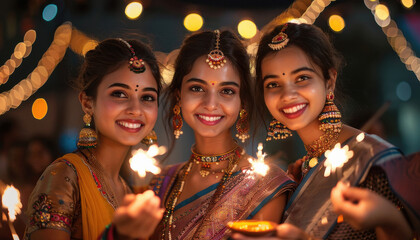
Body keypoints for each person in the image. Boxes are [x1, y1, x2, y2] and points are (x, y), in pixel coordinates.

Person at [233, 23, 419, 239]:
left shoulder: (375, 162)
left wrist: (390, 220)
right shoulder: (299, 173)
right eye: (273, 84)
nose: (288, 94)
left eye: (301, 78)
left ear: (329, 81)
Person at [105, 29, 296, 240]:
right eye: (197, 88)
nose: (210, 104)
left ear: (242, 102)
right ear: (179, 96)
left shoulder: (266, 187)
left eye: (227, 91)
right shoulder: (161, 183)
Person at [24, 38, 163, 240]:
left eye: (147, 97)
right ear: (87, 103)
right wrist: (118, 235)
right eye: (119, 94)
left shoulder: (129, 191)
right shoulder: (63, 178)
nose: (136, 109)